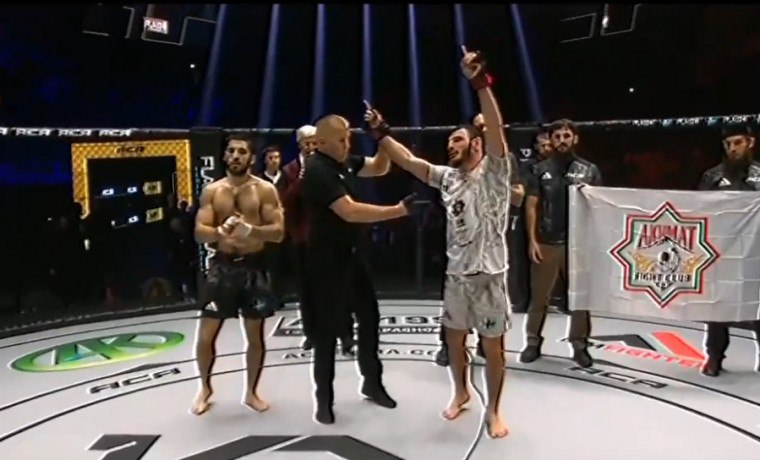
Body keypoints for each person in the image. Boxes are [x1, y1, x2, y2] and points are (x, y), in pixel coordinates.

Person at [370, 47, 518, 439]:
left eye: (456, 140)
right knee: (454, 340)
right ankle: (461, 392)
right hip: (457, 276)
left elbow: (495, 127)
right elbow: (408, 161)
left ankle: (494, 410)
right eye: (449, 141)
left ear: (476, 145)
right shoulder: (448, 178)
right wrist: (381, 133)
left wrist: (479, 83)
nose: (449, 145)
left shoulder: (496, 172)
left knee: (493, 349)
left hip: (490, 275)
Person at [301, 112, 413, 425]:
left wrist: (381, 136)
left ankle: (372, 383)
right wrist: (398, 211)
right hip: (326, 260)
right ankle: (324, 399)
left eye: (348, 138)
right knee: (327, 331)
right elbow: (348, 211)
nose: (346, 144)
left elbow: (380, 167)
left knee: (370, 320)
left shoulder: (345, 162)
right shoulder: (317, 170)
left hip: (353, 256)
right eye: (340, 140)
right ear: (321, 143)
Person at [190, 133, 285, 416]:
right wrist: (219, 231)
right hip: (222, 267)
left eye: (241, 152)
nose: (235, 156)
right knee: (206, 335)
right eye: (231, 151)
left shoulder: (265, 190)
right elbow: (199, 233)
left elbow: (278, 232)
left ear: (251, 158)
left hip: (253, 267)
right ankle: (204, 388)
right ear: (224, 156)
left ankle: (251, 392)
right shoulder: (212, 190)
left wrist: (251, 230)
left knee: (255, 336)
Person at [434, 112, 523, 367]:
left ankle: (487, 341)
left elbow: (519, 194)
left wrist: (499, 191)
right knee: (455, 293)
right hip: (461, 235)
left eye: (487, 126)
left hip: (491, 234)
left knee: (488, 297)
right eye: (479, 126)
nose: (484, 129)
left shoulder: (502, 160)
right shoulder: (456, 165)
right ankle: (448, 345)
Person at [520, 119, 602, 368]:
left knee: (579, 300)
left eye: (566, 136)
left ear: (575, 138)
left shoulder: (589, 170)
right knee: (539, 298)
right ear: (551, 140)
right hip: (547, 241)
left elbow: (598, 207)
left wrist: (593, 243)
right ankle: (532, 342)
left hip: (578, 244)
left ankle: (580, 345)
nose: (562, 141)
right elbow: (531, 205)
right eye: (557, 136)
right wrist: (532, 240)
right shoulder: (539, 169)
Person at [281, 125, 356, 354]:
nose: (312, 146)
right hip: (303, 240)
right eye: (308, 143)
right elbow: (284, 203)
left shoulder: (331, 166)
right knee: (307, 291)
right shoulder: (290, 171)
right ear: (300, 145)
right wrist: (301, 180)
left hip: (331, 238)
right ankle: (311, 334)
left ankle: (345, 335)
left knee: (340, 288)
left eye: (316, 142)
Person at [696, 123, 760, 376]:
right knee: (718, 306)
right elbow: (698, 210)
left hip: (756, 250)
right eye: (728, 144)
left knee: (758, 305)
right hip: (721, 251)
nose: (732, 148)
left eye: (738, 143)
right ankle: (714, 357)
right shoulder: (711, 177)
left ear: (750, 143)